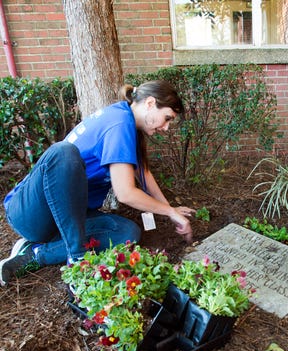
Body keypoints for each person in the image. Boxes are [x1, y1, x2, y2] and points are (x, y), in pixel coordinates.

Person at [0, 80, 195, 286]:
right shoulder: (119, 124)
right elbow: (125, 193)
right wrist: (169, 212)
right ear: (149, 103)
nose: (165, 128)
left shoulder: (127, 122)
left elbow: (143, 172)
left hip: (68, 216)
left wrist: (168, 208)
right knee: (62, 152)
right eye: (166, 118)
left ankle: (34, 253)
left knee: (126, 233)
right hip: (33, 215)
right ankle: (77, 259)